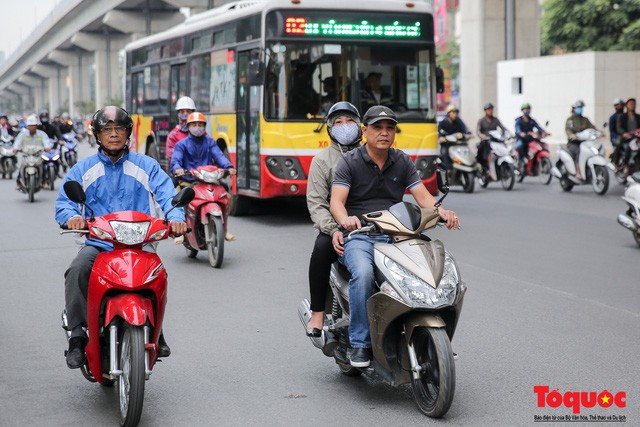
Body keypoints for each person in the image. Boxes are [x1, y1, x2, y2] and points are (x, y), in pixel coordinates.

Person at [55, 106, 187, 369]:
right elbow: (65, 203)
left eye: (119, 129)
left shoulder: (146, 165)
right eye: (107, 129)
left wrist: (177, 218)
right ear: (97, 135)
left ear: (128, 134)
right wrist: (72, 217)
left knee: (159, 275)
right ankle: (78, 336)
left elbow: (168, 196)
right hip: (99, 244)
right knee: (78, 270)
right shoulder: (83, 169)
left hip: (139, 243)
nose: (114, 134)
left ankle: (157, 329)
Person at [329, 105, 460, 367]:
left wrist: (441, 211)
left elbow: (423, 197)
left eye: (390, 128)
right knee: (364, 274)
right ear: (365, 131)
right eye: (378, 127)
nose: (385, 133)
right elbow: (336, 202)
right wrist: (346, 220)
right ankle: (360, 344)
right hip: (361, 236)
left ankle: (433, 338)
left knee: (434, 267)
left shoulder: (401, 160)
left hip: (397, 235)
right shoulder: (349, 162)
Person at [305, 101, 362, 337]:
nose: (344, 126)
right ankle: (318, 312)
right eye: (338, 122)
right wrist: (333, 229)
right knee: (321, 249)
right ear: (329, 128)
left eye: (349, 121)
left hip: (373, 224)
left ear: (360, 126)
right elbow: (317, 204)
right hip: (337, 226)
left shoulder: (371, 155)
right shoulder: (322, 161)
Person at [171, 112, 237, 241]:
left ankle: (224, 230)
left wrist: (228, 167)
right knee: (181, 200)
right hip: (189, 180)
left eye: (200, 124)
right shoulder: (181, 144)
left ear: (204, 126)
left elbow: (219, 156)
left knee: (226, 197)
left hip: (209, 179)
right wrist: (178, 169)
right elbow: (176, 160)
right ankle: (182, 231)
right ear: (189, 126)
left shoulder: (210, 142)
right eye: (194, 124)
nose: (197, 127)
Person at [13, 114, 52, 190]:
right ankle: (18, 182)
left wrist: (47, 147)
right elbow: (17, 142)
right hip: (27, 155)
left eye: (33, 125)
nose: (32, 127)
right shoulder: (23, 134)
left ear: (36, 126)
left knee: (42, 164)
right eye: (30, 125)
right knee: (22, 165)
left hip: (38, 155)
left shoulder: (41, 134)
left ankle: (44, 181)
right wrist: (15, 148)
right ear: (27, 126)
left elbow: (46, 141)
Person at [565, 100, 595, 179]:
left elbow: (592, 128)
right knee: (579, 152)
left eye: (581, 108)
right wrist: (571, 135)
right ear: (574, 108)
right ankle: (578, 171)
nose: (580, 109)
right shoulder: (570, 120)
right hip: (574, 143)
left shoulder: (585, 119)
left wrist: (599, 132)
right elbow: (568, 129)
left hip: (585, 142)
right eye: (578, 108)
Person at [476, 102, 510, 170]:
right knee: (483, 152)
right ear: (485, 111)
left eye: (491, 109)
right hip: (486, 141)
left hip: (495, 140)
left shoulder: (495, 120)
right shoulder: (481, 120)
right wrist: (481, 135)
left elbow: (503, 127)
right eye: (488, 109)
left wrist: (509, 133)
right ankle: (484, 165)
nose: (490, 111)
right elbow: (478, 131)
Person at [438, 104, 471, 170]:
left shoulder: (458, 121)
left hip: (458, 145)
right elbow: (440, 133)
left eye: (456, 113)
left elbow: (464, 129)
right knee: (445, 154)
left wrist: (469, 133)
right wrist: (441, 138)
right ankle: (448, 170)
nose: (455, 115)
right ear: (448, 113)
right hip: (447, 145)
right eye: (453, 113)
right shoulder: (443, 123)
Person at [166, 96, 196, 168]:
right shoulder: (173, 136)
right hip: (181, 172)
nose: (185, 114)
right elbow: (171, 155)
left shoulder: (201, 134)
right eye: (182, 112)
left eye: (188, 111)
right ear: (178, 114)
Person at [616, 98, 640, 175]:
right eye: (631, 104)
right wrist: (624, 133)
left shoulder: (638, 117)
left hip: (637, 138)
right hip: (626, 138)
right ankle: (626, 165)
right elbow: (619, 127)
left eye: (634, 104)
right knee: (627, 148)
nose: (632, 106)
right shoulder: (622, 117)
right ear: (627, 105)